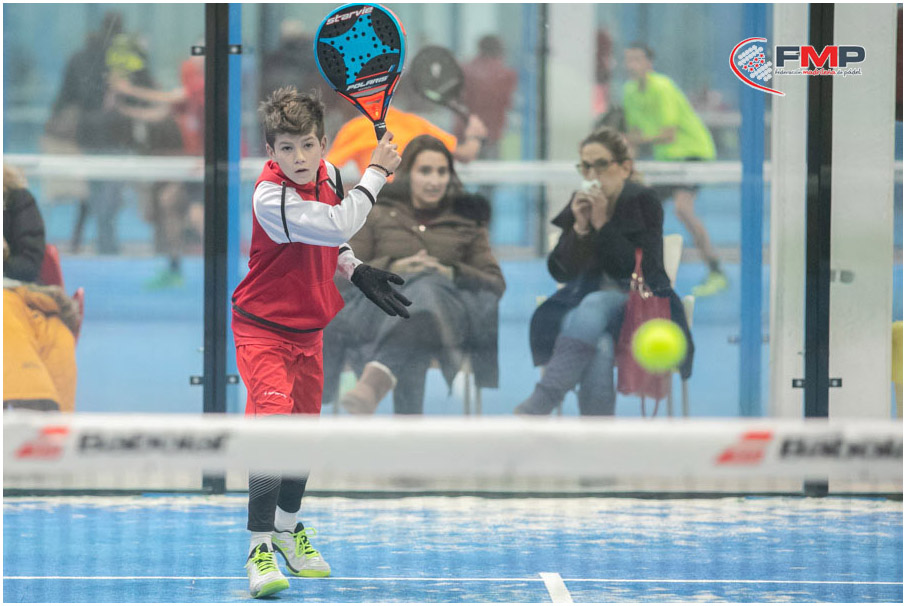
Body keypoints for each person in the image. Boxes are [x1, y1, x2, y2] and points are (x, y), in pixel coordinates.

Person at [231, 86, 407, 599]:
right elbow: (334, 222)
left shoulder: (328, 174)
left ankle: (288, 530)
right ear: (271, 151)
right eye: (286, 148)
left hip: (309, 331)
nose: (299, 158)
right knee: (273, 431)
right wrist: (377, 172)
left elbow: (333, 239)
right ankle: (259, 548)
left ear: (323, 143)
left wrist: (354, 269)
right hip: (262, 328)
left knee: (303, 435)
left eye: (308, 145)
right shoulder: (270, 197)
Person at [515, 127, 693, 416]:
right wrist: (580, 228)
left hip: (641, 304)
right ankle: (596, 435)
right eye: (586, 166)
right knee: (599, 346)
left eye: (601, 165)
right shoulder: (580, 202)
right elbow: (560, 272)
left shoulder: (643, 201)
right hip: (587, 315)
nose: (592, 175)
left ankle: (544, 398)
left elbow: (642, 270)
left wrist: (602, 225)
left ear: (624, 168)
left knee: (595, 302)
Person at [324, 135, 506, 415]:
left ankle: (373, 384)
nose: (435, 180)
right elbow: (341, 271)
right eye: (425, 171)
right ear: (408, 173)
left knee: (427, 292)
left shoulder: (467, 219)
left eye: (442, 172)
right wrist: (396, 268)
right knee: (418, 313)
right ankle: (400, 419)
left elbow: (494, 281)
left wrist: (449, 272)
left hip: (448, 320)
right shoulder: (376, 211)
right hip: (379, 313)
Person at [622, 43, 727, 297]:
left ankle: (716, 271)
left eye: (638, 59)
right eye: (628, 59)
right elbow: (633, 135)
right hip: (667, 160)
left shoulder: (663, 87)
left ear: (649, 63)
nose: (632, 65)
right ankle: (637, 273)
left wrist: (633, 140)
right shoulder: (629, 92)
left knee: (682, 209)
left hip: (692, 153)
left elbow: (667, 134)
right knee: (639, 208)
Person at [110, 50, 205, 289]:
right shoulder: (187, 96)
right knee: (169, 201)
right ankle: (175, 268)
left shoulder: (201, 89)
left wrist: (128, 89)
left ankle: (225, 266)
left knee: (194, 214)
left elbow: (165, 98)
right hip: (192, 167)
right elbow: (159, 112)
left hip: (207, 167)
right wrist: (125, 110)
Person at [3, 164, 79, 413]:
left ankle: (42, 408)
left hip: (21, 295)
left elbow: (27, 267)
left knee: (56, 336)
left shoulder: (16, 199)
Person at [327, 105, 488, 183]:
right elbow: (466, 154)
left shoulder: (354, 128)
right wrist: (475, 136)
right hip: (395, 202)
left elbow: (325, 169)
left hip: (389, 201)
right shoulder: (416, 123)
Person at [454, 35, 517, 162]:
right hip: (491, 134)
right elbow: (507, 103)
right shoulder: (506, 74)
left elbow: (458, 100)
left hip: (465, 131)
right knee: (489, 171)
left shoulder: (465, 70)